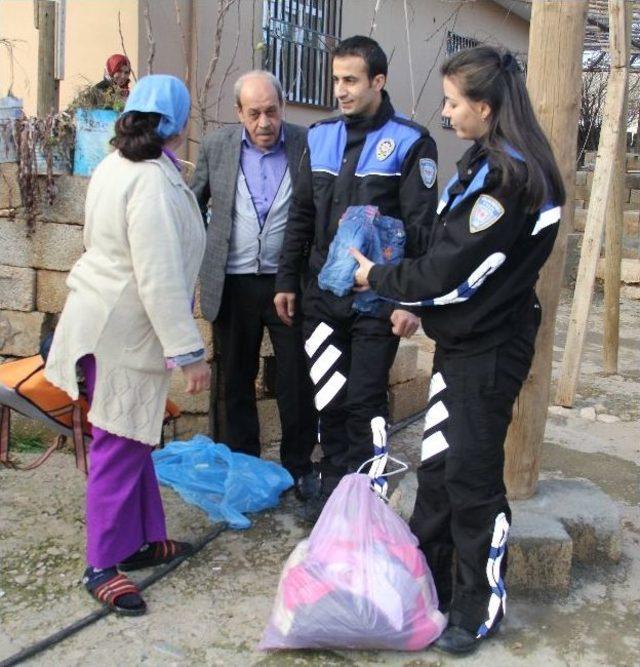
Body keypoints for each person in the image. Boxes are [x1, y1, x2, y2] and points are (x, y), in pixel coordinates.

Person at [351, 46, 566, 654]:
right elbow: (451, 254)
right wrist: (413, 302)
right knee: (440, 470)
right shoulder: (486, 162)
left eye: (452, 103)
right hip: (464, 341)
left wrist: (383, 281)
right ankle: (435, 585)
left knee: (472, 479)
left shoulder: (510, 179)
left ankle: (479, 605)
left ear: (486, 107)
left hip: (488, 351)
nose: (445, 114)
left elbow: (452, 268)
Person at [45, 75, 210, 616]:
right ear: (180, 126)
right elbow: (159, 276)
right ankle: (100, 564)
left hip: (106, 319)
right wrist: (188, 352)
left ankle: (138, 540)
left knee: (135, 436)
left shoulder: (120, 165)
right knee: (118, 443)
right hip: (123, 329)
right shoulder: (151, 182)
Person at [274, 35, 439, 522]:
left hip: (377, 300)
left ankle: (366, 495)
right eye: (335, 80)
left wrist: (412, 303)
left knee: (365, 399)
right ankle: (334, 486)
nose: (340, 91)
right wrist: (286, 280)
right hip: (322, 295)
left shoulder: (412, 142)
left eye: (350, 80)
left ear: (378, 82)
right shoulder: (318, 136)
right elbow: (300, 216)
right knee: (328, 392)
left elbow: (422, 230)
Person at [191, 71, 318, 500]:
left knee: (297, 379)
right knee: (236, 378)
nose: (264, 123)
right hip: (233, 283)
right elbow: (193, 205)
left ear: (283, 108)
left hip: (290, 285)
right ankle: (242, 465)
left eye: (271, 111)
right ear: (238, 113)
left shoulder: (305, 143)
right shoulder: (216, 147)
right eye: (254, 113)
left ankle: (299, 466)